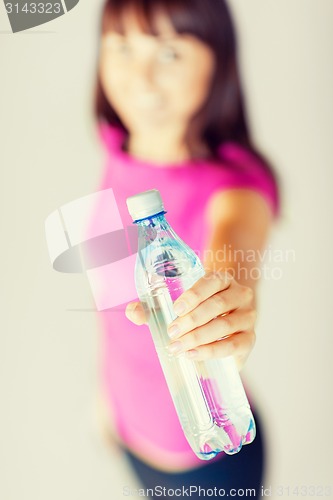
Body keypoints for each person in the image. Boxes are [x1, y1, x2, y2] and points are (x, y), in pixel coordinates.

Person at [92, 0, 281, 497]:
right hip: (128, 438)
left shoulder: (238, 190)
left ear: (217, 59)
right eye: (123, 47)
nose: (141, 77)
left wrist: (228, 316)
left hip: (208, 461)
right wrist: (105, 402)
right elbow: (113, 318)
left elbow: (230, 273)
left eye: (171, 53)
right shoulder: (116, 146)